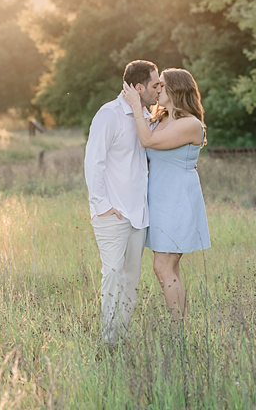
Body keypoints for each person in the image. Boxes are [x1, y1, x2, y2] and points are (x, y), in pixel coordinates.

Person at [84, 60, 163, 344]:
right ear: (139, 87)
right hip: (113, 214)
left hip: (139, 215)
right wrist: (102, 206)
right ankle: (107, 340)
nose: (159, 90)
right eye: (155, 85)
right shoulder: (109, 114)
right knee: (113, 274)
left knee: (131, 281)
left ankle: (121, 337)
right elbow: (93, 162)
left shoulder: (145, 116)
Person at [122, 68, 210, 322]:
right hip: (159, 201)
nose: (157, 90)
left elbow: (147, 142)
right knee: (168, 267)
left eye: (161, 85)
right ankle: (178, 327)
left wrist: (136, 106)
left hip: (178, 200)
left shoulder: (190, 124)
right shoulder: (159, 119)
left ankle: (177, 331)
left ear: (177, 89)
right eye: (156, 85)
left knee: (162, 266)